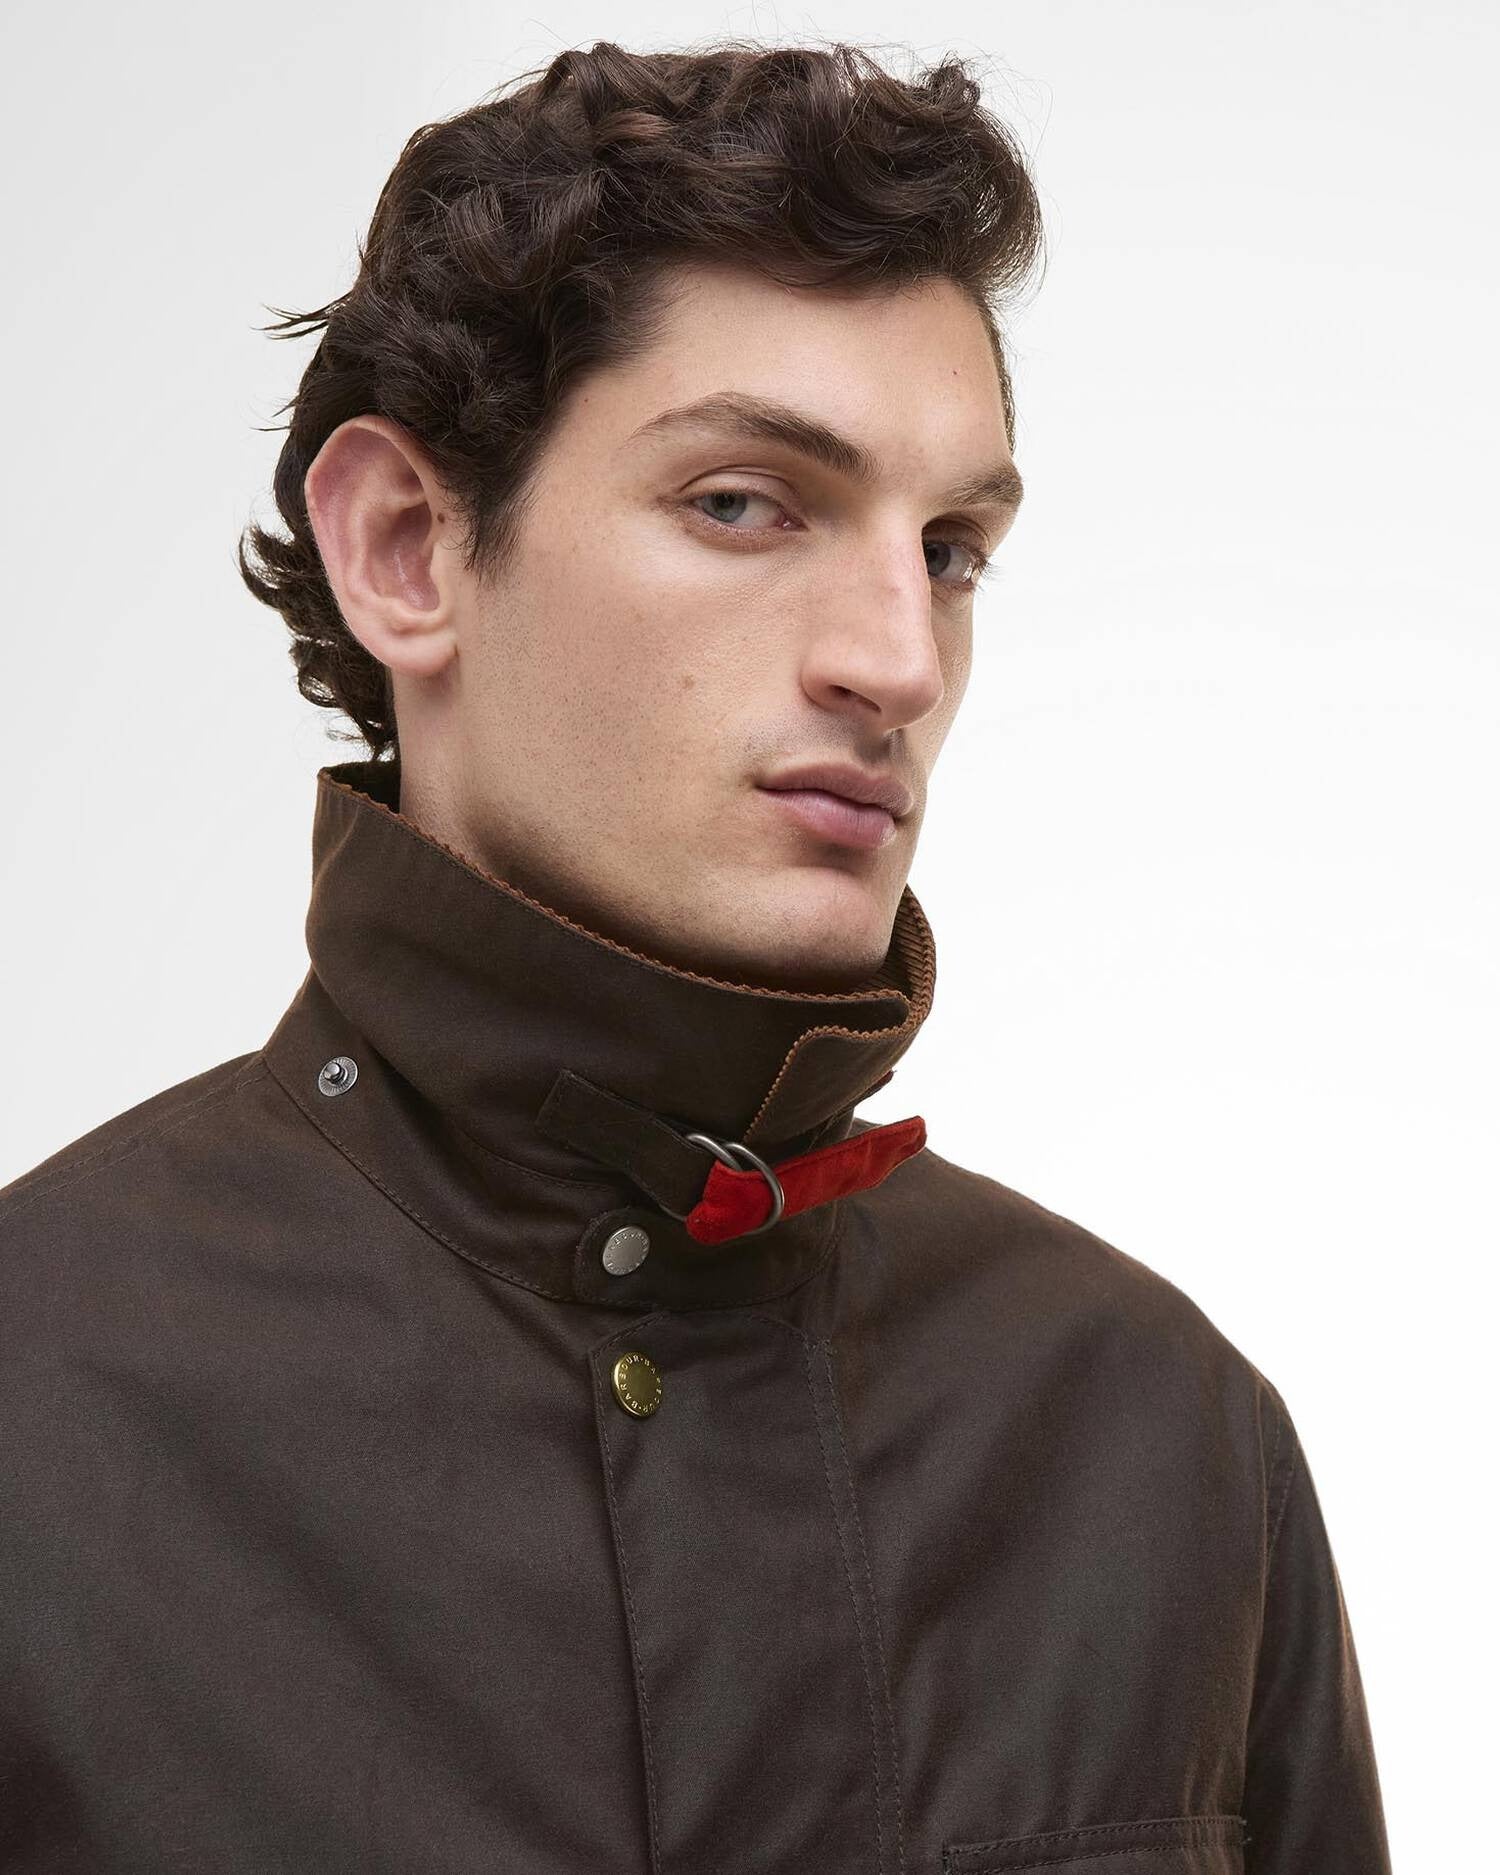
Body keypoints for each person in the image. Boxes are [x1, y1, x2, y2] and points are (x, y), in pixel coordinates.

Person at [0, 38, 1391, 1874]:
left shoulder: (1162, 1438)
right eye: (745, 503)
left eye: (952, 549)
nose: (897, 661)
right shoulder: (39, 1412)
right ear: (407, 550)